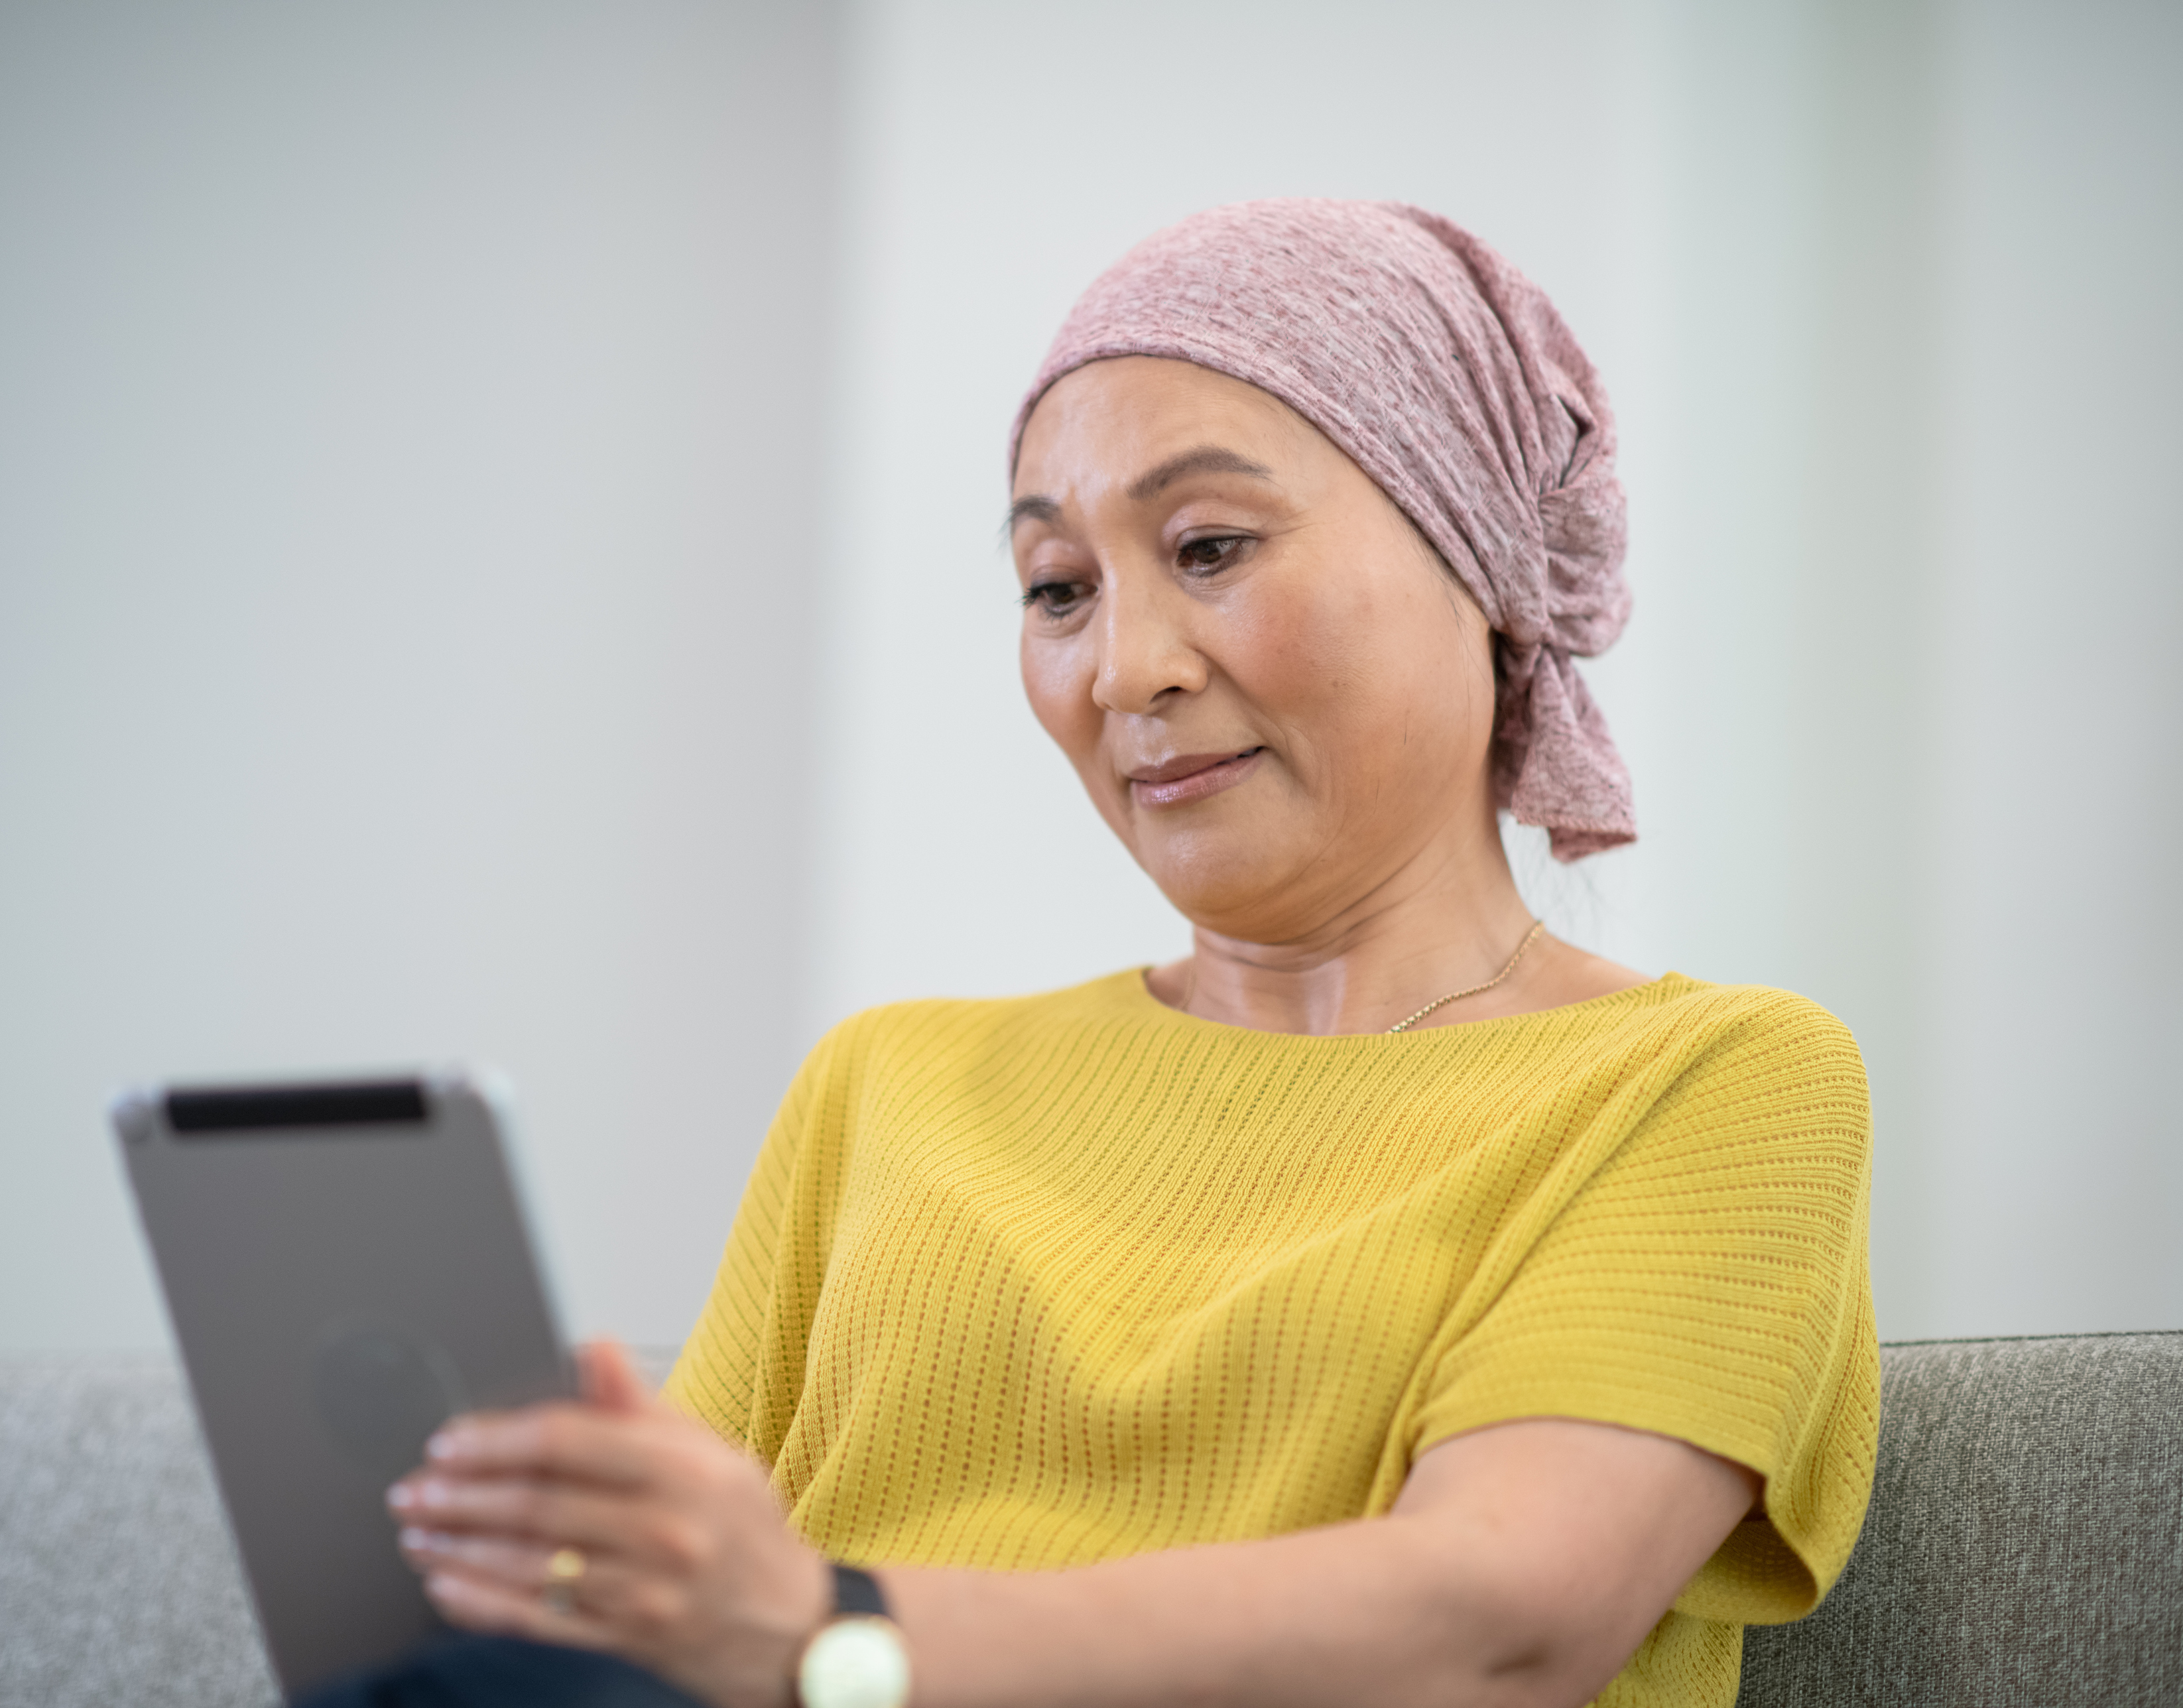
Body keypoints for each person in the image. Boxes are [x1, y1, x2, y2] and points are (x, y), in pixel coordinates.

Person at [336, 200, 1877, 1708]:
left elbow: (1498, 1621)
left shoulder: (1710, 1081)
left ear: (1474, 558)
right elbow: (672, 1626)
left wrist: (833, 1636)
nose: (1124, 669)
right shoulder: (889, 1081)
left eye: (1210, 546)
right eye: (1060, 589)